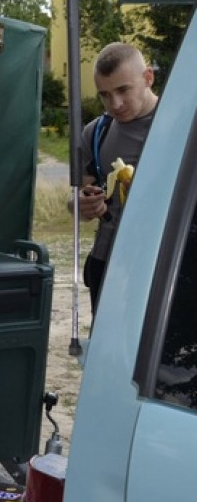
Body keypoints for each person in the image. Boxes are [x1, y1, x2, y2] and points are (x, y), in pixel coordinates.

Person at [69, 41, 159, 315]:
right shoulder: (96, 133)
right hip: (108, 262)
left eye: (123, 90)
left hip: (165, 263)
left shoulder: (182, 127)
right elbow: (77, 200)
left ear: (148, 77)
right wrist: (82, 204)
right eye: (105, 95)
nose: (115, 104)